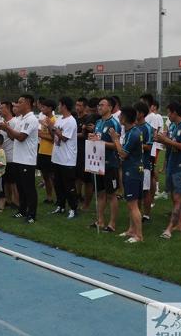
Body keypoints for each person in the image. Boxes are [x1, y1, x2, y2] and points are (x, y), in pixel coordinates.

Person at [0, 94, 39, 223]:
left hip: (27, 159)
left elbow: (21, 137)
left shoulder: (31, 119)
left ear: (27, 103)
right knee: (21, 187)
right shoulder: (20, 119)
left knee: (29, 188)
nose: (16, 105)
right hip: (18, 158)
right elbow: (12, 137)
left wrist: (7, 128)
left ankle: (32, 214)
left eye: (19, 103)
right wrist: (6, 129)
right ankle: (22, 210)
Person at [156, 100, 181, 239]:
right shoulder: (172, 126)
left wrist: (165, 141)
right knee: (174, 196)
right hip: (172, 164)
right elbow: (171, 145)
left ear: (175, 112)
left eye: (169, 112)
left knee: (178, 198)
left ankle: (169, 228)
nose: (168, 115)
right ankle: (180, 224)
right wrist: (161, 140)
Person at [109, 106, 144, 243]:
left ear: (124, 118)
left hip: (133, 172)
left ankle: (139, 235)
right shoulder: (131, 131)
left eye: (120, 115)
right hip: (132, 170)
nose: (118, 117)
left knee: (132, 204)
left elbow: (123, 153)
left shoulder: (133, 133)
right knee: (131, 203)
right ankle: (131, 230)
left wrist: (115, 139)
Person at [87, 97, 122, 232]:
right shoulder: (98, 122)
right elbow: (97, 139)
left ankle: (112, 224)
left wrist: (100, 142)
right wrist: (93, 139)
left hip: (110, 163)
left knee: (111, 194)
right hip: (97, 162)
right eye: (98, 105)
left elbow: (117, 145)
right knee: (100, 193)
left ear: (110, 107)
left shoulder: (114, 123)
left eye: (102, 105)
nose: (99, 107)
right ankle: (100, 221)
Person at [48, 96, 79, 218]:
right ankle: (60, 206)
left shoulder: (71, 121)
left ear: (64, 106)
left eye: (60, 105)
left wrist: (53, 127)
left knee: (69, 185)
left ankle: (73, 208)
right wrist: (50, 128)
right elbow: (53, 136)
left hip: (67, 159)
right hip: (57, 157)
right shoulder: (60, 119)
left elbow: (64, 138)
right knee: (58, 184)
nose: (58, 107)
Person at [0, 100, 20, 209]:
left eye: (2, 108)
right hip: (3, 155)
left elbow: (13, 138)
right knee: (6, 180)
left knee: (13, 182)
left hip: (12, 155)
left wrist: (6, 128)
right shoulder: (2, 121)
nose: (0, 110)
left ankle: (16, 201)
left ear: (8, 108)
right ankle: (8, 199)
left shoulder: (14, 122)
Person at [37, 99, 57, 204]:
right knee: (45, 176)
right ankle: (49, 197)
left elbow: (53, 137)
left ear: (50, 108)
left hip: (50, 152)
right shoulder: (45, 119)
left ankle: (57, 197)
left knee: (52, 176)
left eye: (44, 107)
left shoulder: (53, 120)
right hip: (42, 150)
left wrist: (40, 134)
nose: (42, 109)